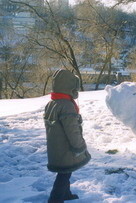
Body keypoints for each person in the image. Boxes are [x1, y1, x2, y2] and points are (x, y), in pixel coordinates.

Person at [44, 69, 91, 202]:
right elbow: (72, 129)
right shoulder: (66, 105)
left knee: (66, 171)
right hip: (66, 146)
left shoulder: (52, 103)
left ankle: (65, 193)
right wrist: (79, 145)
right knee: (64, 174)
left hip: (57, 145)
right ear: (69, 86)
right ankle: (55, 199)